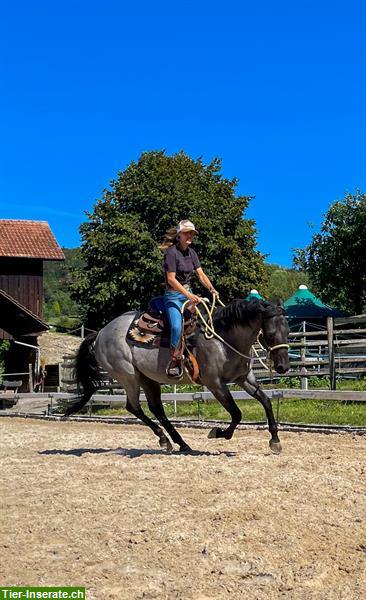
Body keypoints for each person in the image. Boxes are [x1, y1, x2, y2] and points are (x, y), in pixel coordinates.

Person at [160, 219, 219, 377]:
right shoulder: (171, 253)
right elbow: (171, 279)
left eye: (191, 233)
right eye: (187, 233)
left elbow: (201, 274)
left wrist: (212, 289)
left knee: (205, 321)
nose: (190, 236)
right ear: (179, 235)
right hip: (173, 297)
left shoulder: (192, 253)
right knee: (176, 327)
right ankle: (174, 359)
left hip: (188, 295)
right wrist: (189, 295)